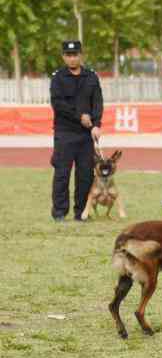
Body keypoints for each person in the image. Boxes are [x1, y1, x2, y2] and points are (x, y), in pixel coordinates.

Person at [50, 40, 103, 222]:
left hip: (86, 135)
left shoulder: (91, 77)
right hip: (65, 133)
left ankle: (81, 212)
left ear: (81, 55)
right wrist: (79, 116)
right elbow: (57, 104)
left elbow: (97, 102)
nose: (72, 58)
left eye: (75, 55)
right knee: (62, 173)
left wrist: (97, 124)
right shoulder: (58, 78)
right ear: (63, 56)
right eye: (68, 55)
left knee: (85, 175)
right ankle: (59, 213)